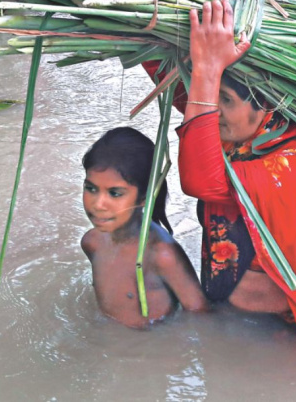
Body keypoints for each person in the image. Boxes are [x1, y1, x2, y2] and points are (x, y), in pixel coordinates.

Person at [142, 0, 296, 384]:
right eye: (213, 95)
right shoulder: (239, 130)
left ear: (270, 104)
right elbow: (186, 96)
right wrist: (151, 21)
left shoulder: (293, 161)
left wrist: (207, 68)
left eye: (226, 99)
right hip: (233, 311)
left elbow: (201, 181)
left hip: (278, 321)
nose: (211, 110)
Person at [80, 127, 208, 328]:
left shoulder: (162, 256)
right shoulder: (92, 243)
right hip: (112, 348)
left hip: (152, 349)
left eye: (114, 193)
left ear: (144, 197)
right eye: (91, 189)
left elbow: (200, 315)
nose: (98, 204)